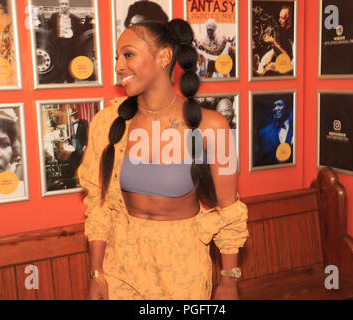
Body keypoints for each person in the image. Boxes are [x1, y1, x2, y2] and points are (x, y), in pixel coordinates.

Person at [78, 18, 248, 300]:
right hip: (121, 268)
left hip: (184, 271)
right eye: (117, 57)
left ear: (164, 57)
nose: (119, 65)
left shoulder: (211, 127)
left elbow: (228, 211)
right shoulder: (107, 124)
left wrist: (229, 280)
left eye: (128, 54)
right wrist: (96, 273)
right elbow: (98, 204)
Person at [254, 5, 294, 76]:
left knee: (271, 66)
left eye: (282, 18)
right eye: (279, 17)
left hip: (291, 67)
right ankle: (259, 67)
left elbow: (287, 58)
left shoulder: (293, 34)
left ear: (289, 19)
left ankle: (259, 72)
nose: (279, 20)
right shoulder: (284, 31)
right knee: (272, 52)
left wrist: (274, 43)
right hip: (284, 61)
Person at [253, 99, 293, 166]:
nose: (276, 109)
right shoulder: (263, 133)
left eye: (279, 105)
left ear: (288, 108)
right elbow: (258, 162)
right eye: (274, 106)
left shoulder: (297, 128)